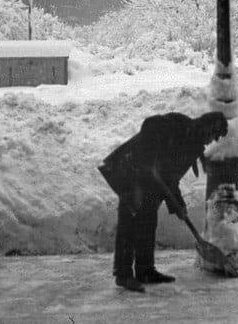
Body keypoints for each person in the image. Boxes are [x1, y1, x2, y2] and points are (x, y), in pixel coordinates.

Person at [98, 111, 228, 292]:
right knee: (130, 222)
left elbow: (170, 178)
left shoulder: (194, 146)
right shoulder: (181, 125)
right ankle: (123, 274)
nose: (212, 141)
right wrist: (150, 158)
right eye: (214, 135)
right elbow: (150, 124)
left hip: (150, 182)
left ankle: (145, 270)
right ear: (208, 127)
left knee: (148, 221)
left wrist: (178, 205)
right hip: (131, 171)